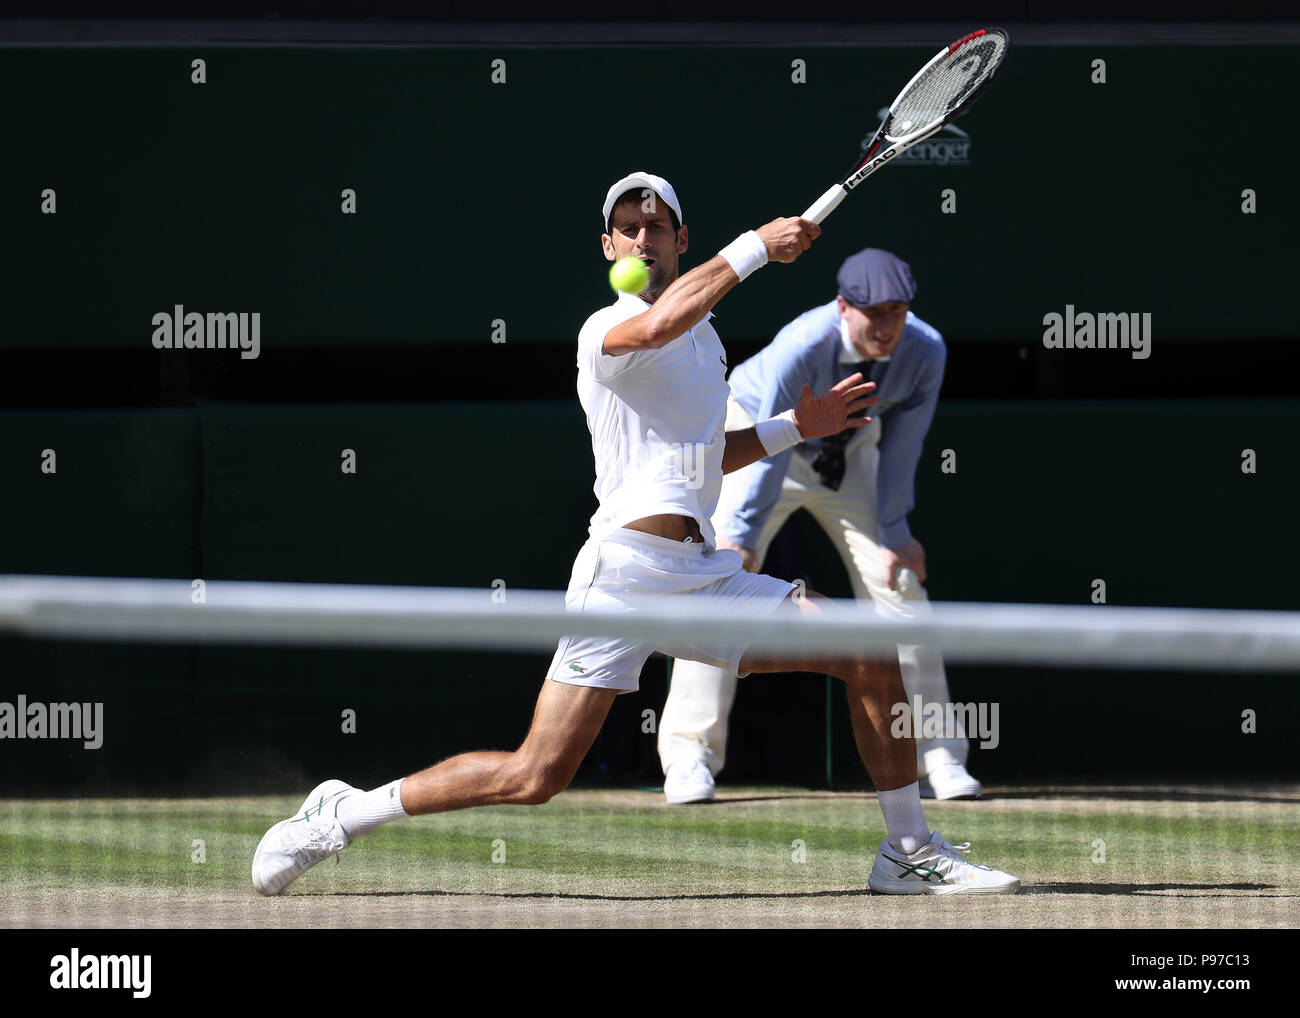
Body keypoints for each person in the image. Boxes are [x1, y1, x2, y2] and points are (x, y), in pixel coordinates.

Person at [251, 172, 1019, 897]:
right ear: (609, 247)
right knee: (536, 775)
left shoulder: (708, 343)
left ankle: (909, 852)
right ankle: (343, 814)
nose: (643, 238)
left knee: (868, 651)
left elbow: (707, 454)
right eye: (628, 228)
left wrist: (793, 426)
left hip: (701, 574)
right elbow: (658, 322)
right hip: (621, 576)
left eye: (657, 226)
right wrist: (755, 245)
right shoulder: (608, 328)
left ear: (682, 238)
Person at [658, 248, 983, 805]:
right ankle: (689, 755)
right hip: (759, 440)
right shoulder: (803, 345)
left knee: (901, 587)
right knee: (715, 588)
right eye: (873, 312)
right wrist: (739, 534)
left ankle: (938, 755)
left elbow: (905, 444)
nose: (886, 325)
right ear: (843, 307)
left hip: (851, 457)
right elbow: (771, 445)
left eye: (897, 312)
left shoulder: (926, 351)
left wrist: (896, 532)